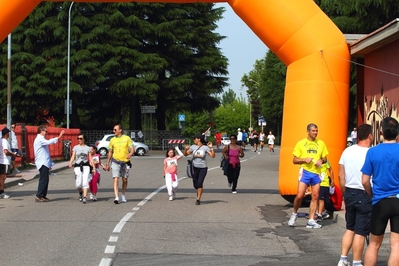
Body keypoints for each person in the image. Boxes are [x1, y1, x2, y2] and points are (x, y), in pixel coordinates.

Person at [361, 117, 399, 266]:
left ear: (381, 132)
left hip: (379, 201)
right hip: (397, 200)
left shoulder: (372, 152)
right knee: (396, 244)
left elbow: (364, 181)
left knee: (374, 244)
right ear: (397, 133)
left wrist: (372, 194)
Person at [337, 123, 373, 266]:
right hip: (364, 192)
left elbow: (341, 175)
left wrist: (345, 192)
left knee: (350, 228)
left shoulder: (347, 151)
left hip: (349, 191)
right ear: (370, 136)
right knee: (361, 231)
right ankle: (357, 262)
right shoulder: (371, 152)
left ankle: (343, 259)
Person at [288, 123, 328, 229]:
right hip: (305, 171)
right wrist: (304, 159)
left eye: (316, 131)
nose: (315, 133)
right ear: (308, 131)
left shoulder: (321, 143)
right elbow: (294, 160)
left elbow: (325, 158)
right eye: (313, 131)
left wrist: (321, 160)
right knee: (300, 195)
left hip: (316, 173)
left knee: (315, 196)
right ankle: (294, 214)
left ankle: (311, 220)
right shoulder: (301, 143)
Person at [105, 124, 134, 204]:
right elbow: (110, 152)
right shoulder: (112, 140)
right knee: (116, 179)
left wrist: (130, 153)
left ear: (120, 130)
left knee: (124, 179)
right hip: (115, 161)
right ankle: (116, 197)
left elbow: (132, 148)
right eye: (113, 130)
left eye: (115, 130)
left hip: (125, 162)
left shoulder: (127, 138)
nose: (113, 131)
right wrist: (107, 163)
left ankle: (123, 195)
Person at [34, 126, 65, 202]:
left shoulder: (41, 139)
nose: (46, 133)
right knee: (43, 180)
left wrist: (50, 163)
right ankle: (39, 195)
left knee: (46, 180)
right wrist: (59, 136)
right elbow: (49, 142)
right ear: (41, 131)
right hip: (42, 162)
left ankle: (43, 195)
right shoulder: (39, 139)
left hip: (45, 162)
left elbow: (46, 153)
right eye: (45, 131)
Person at [184, 133, 215, 205]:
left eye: (195, 138)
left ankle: (198, 199)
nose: (194, 140)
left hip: (203, 167)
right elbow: (186, 154)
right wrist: (186, 150)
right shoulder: (193, 147)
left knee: (200, 183)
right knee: (196, 185)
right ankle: (198, 191)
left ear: (199, 139)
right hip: (194, 167)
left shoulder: (205, 147)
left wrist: (211, 148)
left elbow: (213, 156)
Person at [68, 134, 93, 204]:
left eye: (80, 138)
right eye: (78, 138)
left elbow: (90, 158)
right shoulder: (75, 147)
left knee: (85, 181)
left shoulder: (88, 148)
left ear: (84, 139)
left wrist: (93, 166)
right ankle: (80, 193)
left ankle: (85, 197)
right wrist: (70, 163)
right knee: (78, 184)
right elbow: (73, 156)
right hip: (78, 166)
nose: (79, 140)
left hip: (86, 166)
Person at [0, 128, 20, 199]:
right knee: (3, 177)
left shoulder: (1, 140)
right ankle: (1, 192)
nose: (9, 135)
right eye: (9, 133)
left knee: (2, 177)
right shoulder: (4, 141)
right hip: (4, 161)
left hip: (2, 161)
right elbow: (5, 152)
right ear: (6, 133)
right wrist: (13, 154)